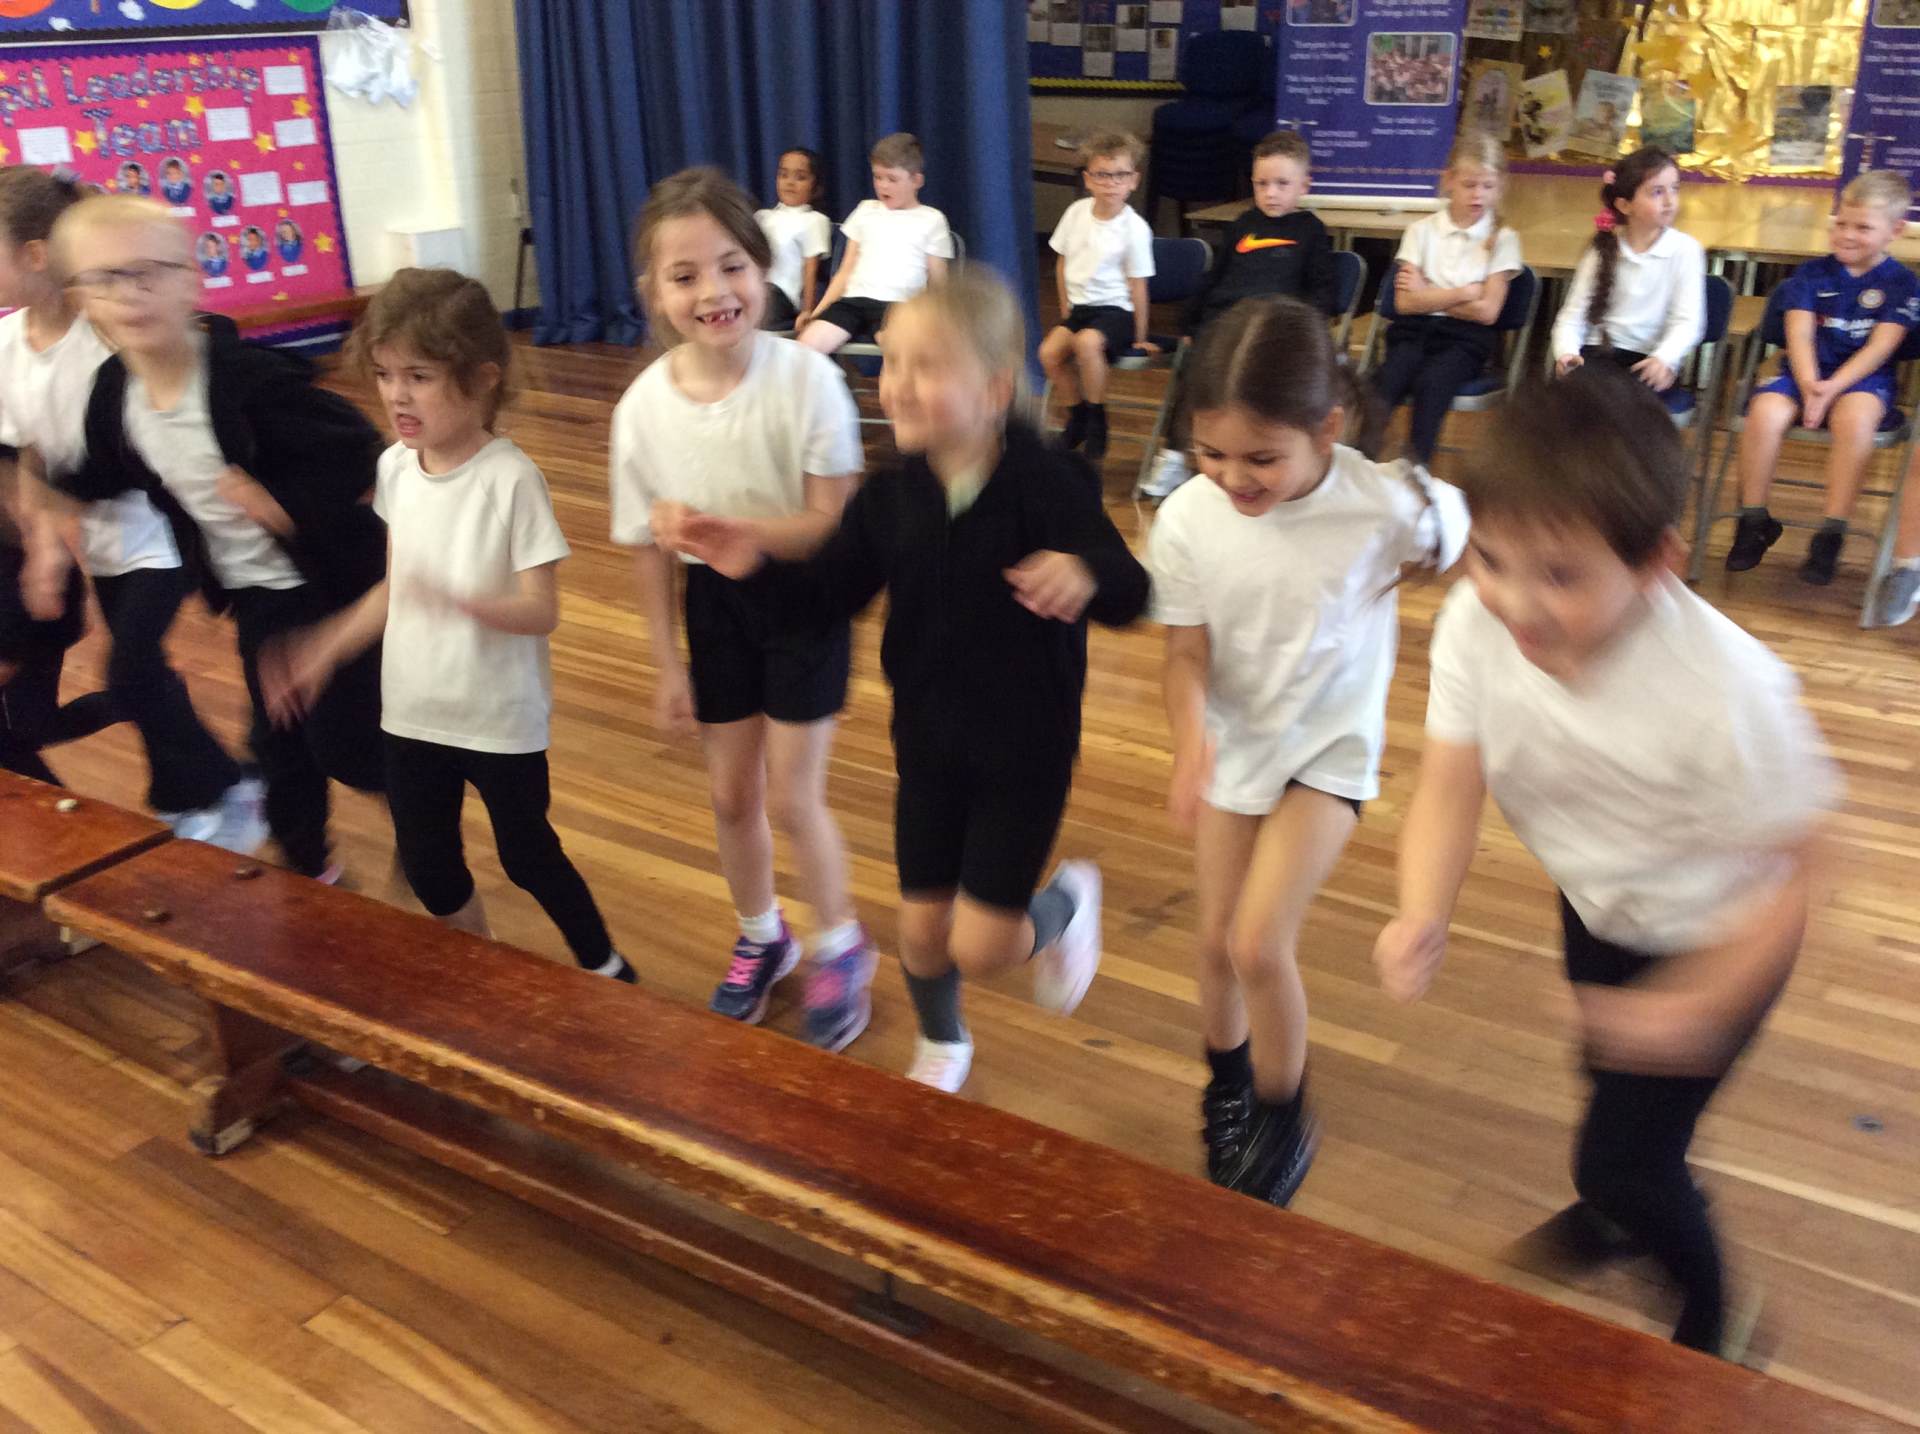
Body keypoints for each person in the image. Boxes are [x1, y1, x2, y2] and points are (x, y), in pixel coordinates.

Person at [1375, 364, 1837, 1360]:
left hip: (1717, 936)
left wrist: (1700, 1002)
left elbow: (1804, 868)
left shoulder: (1727, 691)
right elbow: (1452, 780)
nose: (1516, 602)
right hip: (1600, 900)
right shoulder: (1476, 625)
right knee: (1605, 1075)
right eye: (1491, 559)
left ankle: (1716, 1313)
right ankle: (1622, 1209)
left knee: (1625, 1155)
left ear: (1656, 562)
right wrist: (1422, 909)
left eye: (1561, 575)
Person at [675, 269, 1150, 1093]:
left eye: (924, 366)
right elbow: (821, 601)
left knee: (982, 945)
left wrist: (1084, 572)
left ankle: (1065, 904)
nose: (893, 384)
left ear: (993, 389)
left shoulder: (1049, 484)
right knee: (922, 934)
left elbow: (1131, 590)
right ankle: (942, 1039)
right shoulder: (888, 500)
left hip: (1023, 752)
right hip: (928, 747)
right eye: (890, 362)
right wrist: (748, 566)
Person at [1149, 296, 1466, 1205]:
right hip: (1237, 746)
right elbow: (1185, 652)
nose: (1233, 477)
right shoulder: (1189, 518)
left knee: (1257, 942)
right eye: (1211, 453)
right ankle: (1227, 1087)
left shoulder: (1385, 504)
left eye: (1261, 458)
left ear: (1328, 428)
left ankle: (1282, 1111)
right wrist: (1188, 741)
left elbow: (1476, 543)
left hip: (1329, 752)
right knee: (1215, 943)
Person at [262, 269, 633, 982]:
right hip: (412, 713)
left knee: (527, 856)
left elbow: (542, 610)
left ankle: (607, 966)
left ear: (482, 379)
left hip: (497, 718)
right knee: (430, 867)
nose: (396, 395)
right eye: (384, 374)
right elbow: (396, 588)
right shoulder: (396, 470)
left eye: (420, 376)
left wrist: (467, 600)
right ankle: (480, 970)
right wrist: (325, 649)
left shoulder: (510, 480)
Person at [611, 168, 874, 1050]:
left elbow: (832, 524)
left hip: (803, 600)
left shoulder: (808, 381)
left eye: (731, 266)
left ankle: (841, 943)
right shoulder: (642, 409)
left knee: (793, 798)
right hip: (717, 608)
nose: (713, 292)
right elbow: (645, 548)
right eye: (684, 275)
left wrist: (744, 536)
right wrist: (666, 664)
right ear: (655, 292)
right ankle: (763, 935)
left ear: (763, 268)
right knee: (731, 795)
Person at [53, 195, 388, 883]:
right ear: (81, 297)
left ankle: (416, 817)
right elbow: (105, 468)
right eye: (106, 278)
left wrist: (280, 503)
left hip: (337, 580)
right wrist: (44, 485)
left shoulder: (250, 379)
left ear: (191, 281)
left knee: (346, 744)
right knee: (280, 740)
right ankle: (312, 869)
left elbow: (360, 452)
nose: (130, 293)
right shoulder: (114, 392)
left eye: (149, 272)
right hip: (256, 592)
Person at [0, 167, 259, 848]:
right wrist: (45, 549)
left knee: (131, 669)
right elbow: (31, 456)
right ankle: (232, 778)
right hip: (106, 549)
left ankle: (197, 793)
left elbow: (166, 417)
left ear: (34, 255)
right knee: (144, 676)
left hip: (162, 537)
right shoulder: (6, 347)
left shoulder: (106, 337)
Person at [1726, 169, 1920, 586]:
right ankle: (1753, 520)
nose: (1846, 235)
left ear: (1895, 231)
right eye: (1841, 223)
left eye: (1862, 228)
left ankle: (1832, 532)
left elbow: (1881, 347)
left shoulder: (1902, 283)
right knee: (1765, 412)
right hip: (1806, 372)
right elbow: (1798, 335)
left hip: (1863, 380)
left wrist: (1831, 390)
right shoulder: (1811, 274)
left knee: (1855, 420)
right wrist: (1811, 385)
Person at [1143, 129, 1338, 498]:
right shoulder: (1243, 225)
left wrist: (1300, 330)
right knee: (1194, 379)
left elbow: (1322, 290)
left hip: (1271, 328)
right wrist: (1190, 322)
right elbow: (1214, 277)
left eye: (1282, 184)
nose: (1271, 193)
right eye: (1262, 184)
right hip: (1222, 323)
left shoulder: (1310, 231)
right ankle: (1174, 454)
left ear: (1304, 185)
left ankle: (1255, 453)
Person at [1370, 134, 1523, 466]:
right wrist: (1462, 293)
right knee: (1386, 381)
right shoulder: (1420, 231)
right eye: (1469, 185)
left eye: (1488, 186)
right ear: (1449, 180)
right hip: (1413, 331)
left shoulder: (1504, 240)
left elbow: (1487, 312)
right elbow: (1404, 304)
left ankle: (1416, 472)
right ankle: (1359, 465)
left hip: (1465, 341)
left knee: (1432, 383)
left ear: (1500, 187)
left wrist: (1428, 293)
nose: (1478, 195)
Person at [1037, 129, 1156, 466]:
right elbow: (1062, 263)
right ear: (1088, 179)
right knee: (1049, 353)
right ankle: (1077, 416)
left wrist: (1140, 336)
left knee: (1087, 344)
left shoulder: (1135, 229)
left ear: (1133, 180)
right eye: (1102, 175)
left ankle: (1097, 418)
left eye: (1120, 175)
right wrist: (1066, 307)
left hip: (1116, 311)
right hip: (1081, 310)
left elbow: (1138, 285)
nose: (1111, 183)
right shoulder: (1076, 213)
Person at [1551, 146, 1705, 403]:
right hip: (1598, 353)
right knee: (1569, 402)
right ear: (1624, 205)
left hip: (1648, 361)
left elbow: (1687, 322)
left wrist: (1664, 358)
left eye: (1675, 189)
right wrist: (1566, 353)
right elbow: (1572, 316)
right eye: (1657, 192)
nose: (1670, 201)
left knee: (1620, 407)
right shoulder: (1602, 248)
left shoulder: (1685, 250)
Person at [0, 461, 117, 784]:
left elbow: (42, 521)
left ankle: (137, 697)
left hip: (30, 615)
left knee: (30, 728)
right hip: (27, 611)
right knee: (27, 731)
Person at [797, 133, 952, 355]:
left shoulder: (932, 219)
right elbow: (845, 271)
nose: (882, 186)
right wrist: (816, 313)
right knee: (806, 347)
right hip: (853, 302)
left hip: (899, 306)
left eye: (892, 179)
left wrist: (935, 322)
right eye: (877, 177)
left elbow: (938, 282)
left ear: (916, 181)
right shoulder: (865, 210)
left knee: (898, 352)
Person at [754, 147, 830, 331]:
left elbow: (810, 269)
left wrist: (807, 311)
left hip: (780, 296)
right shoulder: (761, 216)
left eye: (800, 177)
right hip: (752, 287)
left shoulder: (814, 220)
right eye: (783, 175)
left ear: (815, 186)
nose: (790, 182)